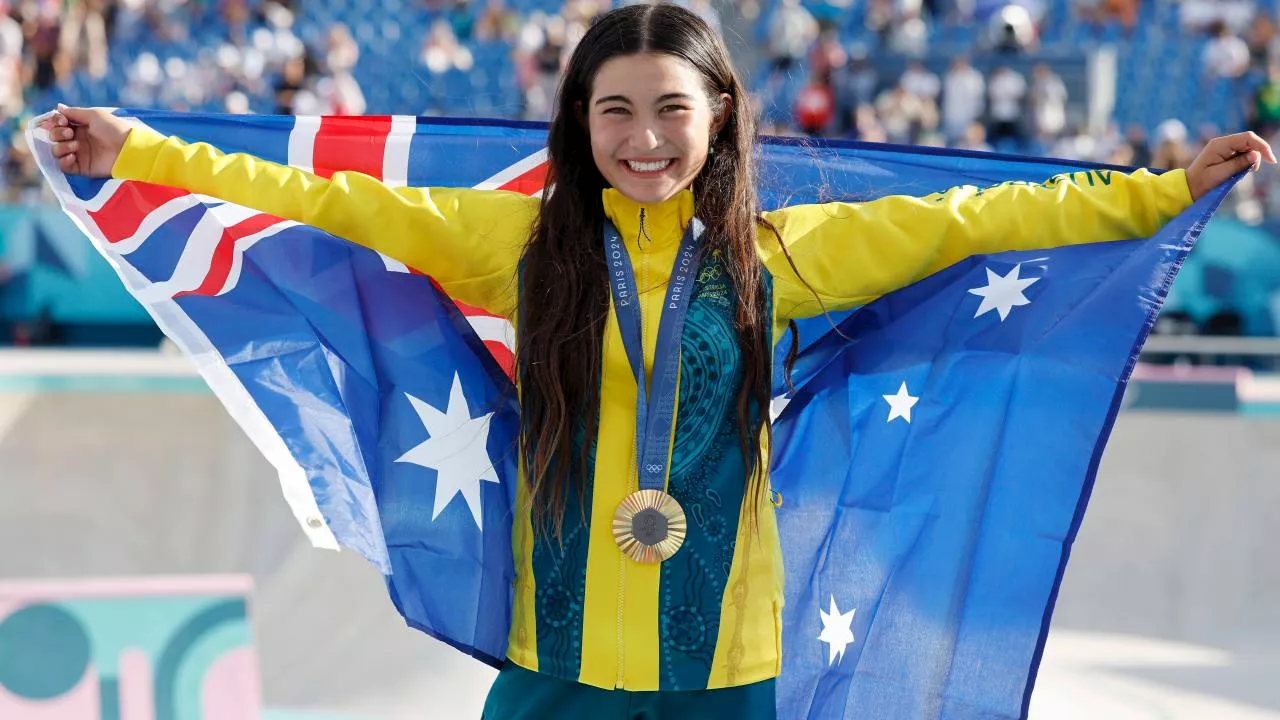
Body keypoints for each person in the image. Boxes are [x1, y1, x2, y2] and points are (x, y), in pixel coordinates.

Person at [41, 4, 1274, 719]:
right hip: (554, 666)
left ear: (720, 115)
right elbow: (321, 197)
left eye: (670, 110)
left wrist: (1155, 193)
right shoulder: (511, 243)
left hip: (724, 672)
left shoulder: (785, 255)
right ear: (578, 124)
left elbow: (974, 223)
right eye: (614, 111)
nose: (643, 138)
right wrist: (146, 147)